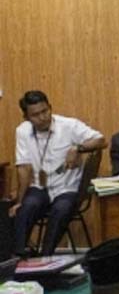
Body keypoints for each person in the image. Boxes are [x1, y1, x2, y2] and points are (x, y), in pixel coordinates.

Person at [10, 90, 106, 256]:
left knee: (61, 208)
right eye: (35, 115)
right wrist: (19, 200)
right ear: (26, 117)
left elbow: (102, 140)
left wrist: (78, 148)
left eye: (45, 111)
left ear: (50, 108)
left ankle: (46, 257)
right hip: (39, 186)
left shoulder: (69, 125)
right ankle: (17, 257)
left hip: (67, 187)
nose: (43, 117)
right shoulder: (22, 131)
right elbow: (23, 168)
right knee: (26, 207)